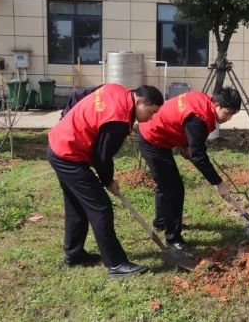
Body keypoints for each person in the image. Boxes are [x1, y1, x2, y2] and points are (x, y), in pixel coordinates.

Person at [47, 84, 164, 278]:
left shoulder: (116, 89)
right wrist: (108, 180)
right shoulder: (118, 119)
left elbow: (80, 93)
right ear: (139, 101)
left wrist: (65, 120)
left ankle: (74, 254)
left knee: (76, 204)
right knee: (100, 208)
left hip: (59, 145)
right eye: (151, 112)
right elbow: (101, 156)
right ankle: (116, 264)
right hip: (68, 154)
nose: (150, 118)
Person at [137, 88, 242, 250]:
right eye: (227, 113)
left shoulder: (202, 100)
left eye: (232, 115)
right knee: (174, 189)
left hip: (158, 133)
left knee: (165, 184)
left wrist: (185, 145)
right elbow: (198, 155)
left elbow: (180, 118)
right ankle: (173, 238)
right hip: (153, 137)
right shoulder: (199, 118)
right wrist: (218, 183)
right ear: (217, 104)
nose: (228, 119)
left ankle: (161, 222)